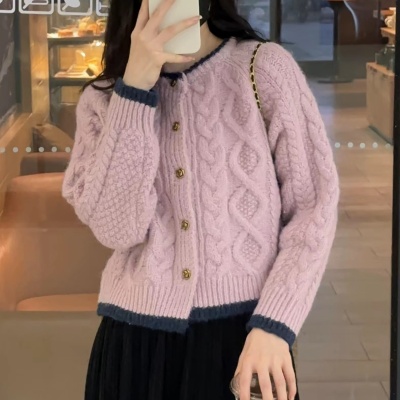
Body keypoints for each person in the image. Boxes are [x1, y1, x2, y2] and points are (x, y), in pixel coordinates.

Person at [62, 0, 340, 399]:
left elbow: (313, 207)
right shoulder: (104, 99)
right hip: (134, 348)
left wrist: (276, 323)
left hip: (248, 341)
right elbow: (116, 230)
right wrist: (135, 89)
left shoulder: (262, 69)